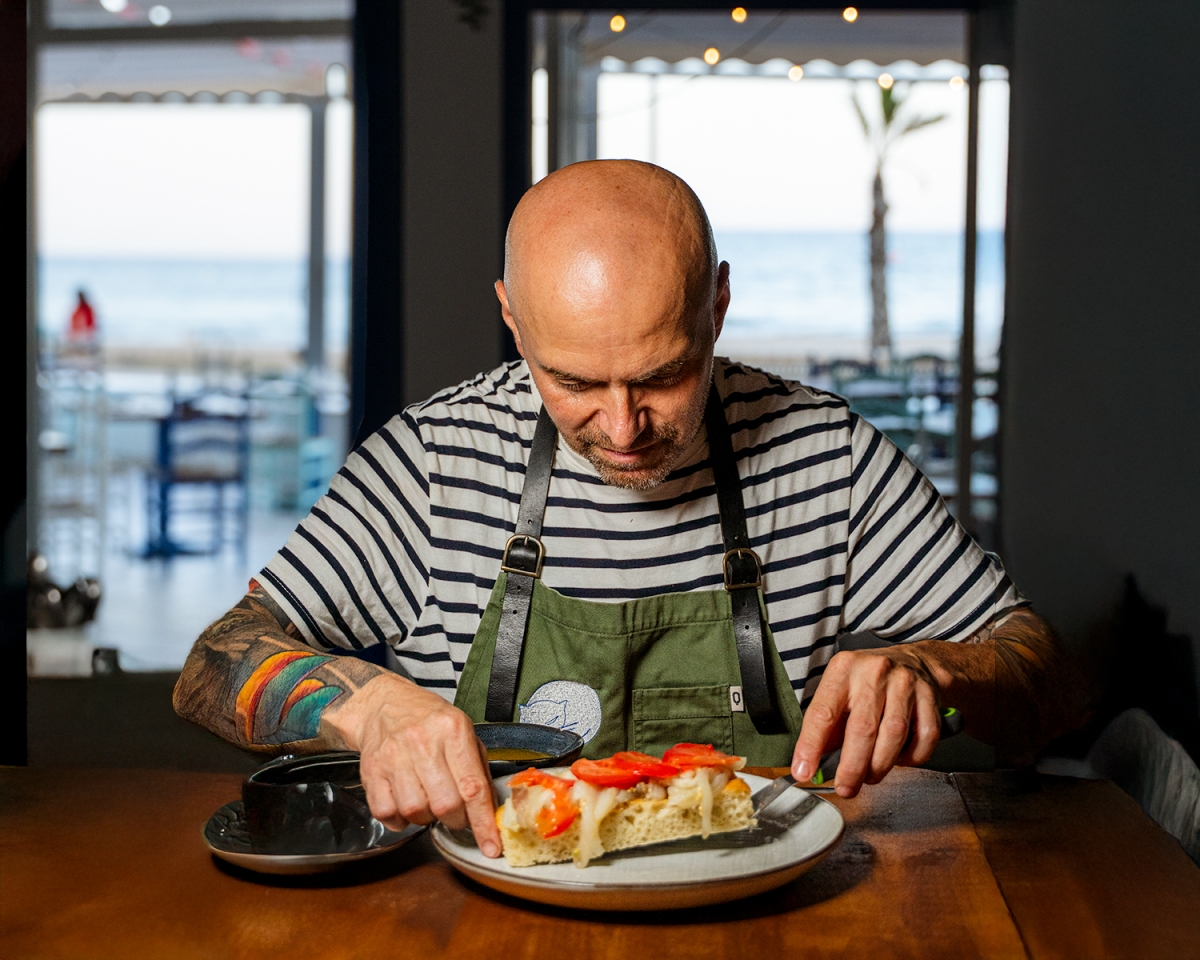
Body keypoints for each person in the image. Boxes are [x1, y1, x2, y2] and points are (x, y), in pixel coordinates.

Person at [175, 160, 1084, 860]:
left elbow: (1052, 681)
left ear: (717, 306)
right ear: (512, 320)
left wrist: (937, 670)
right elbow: (213, 663)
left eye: (663, 375)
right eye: (572, 381)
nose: (622, 427)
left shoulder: (828, 458)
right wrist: (368, 708)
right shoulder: (433, 463)